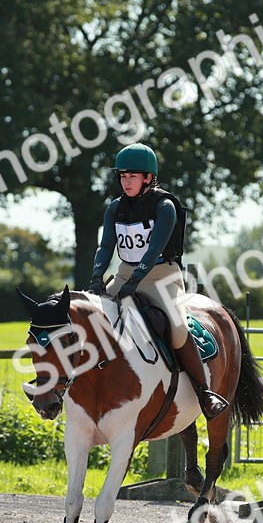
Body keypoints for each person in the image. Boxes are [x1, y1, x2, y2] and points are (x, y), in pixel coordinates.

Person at [87, 142, 229, 419]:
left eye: (132, 177)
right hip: (126, 272)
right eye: (122, 177)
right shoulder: (114, 208)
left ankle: (205, 393)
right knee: (93, 316)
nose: (126, 182)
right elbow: (105, 247)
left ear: (148, 178)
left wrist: (136, 279)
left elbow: (154, 250)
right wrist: (96, 278)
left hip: (162, 275)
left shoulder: (165, 207)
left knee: (176, 328)